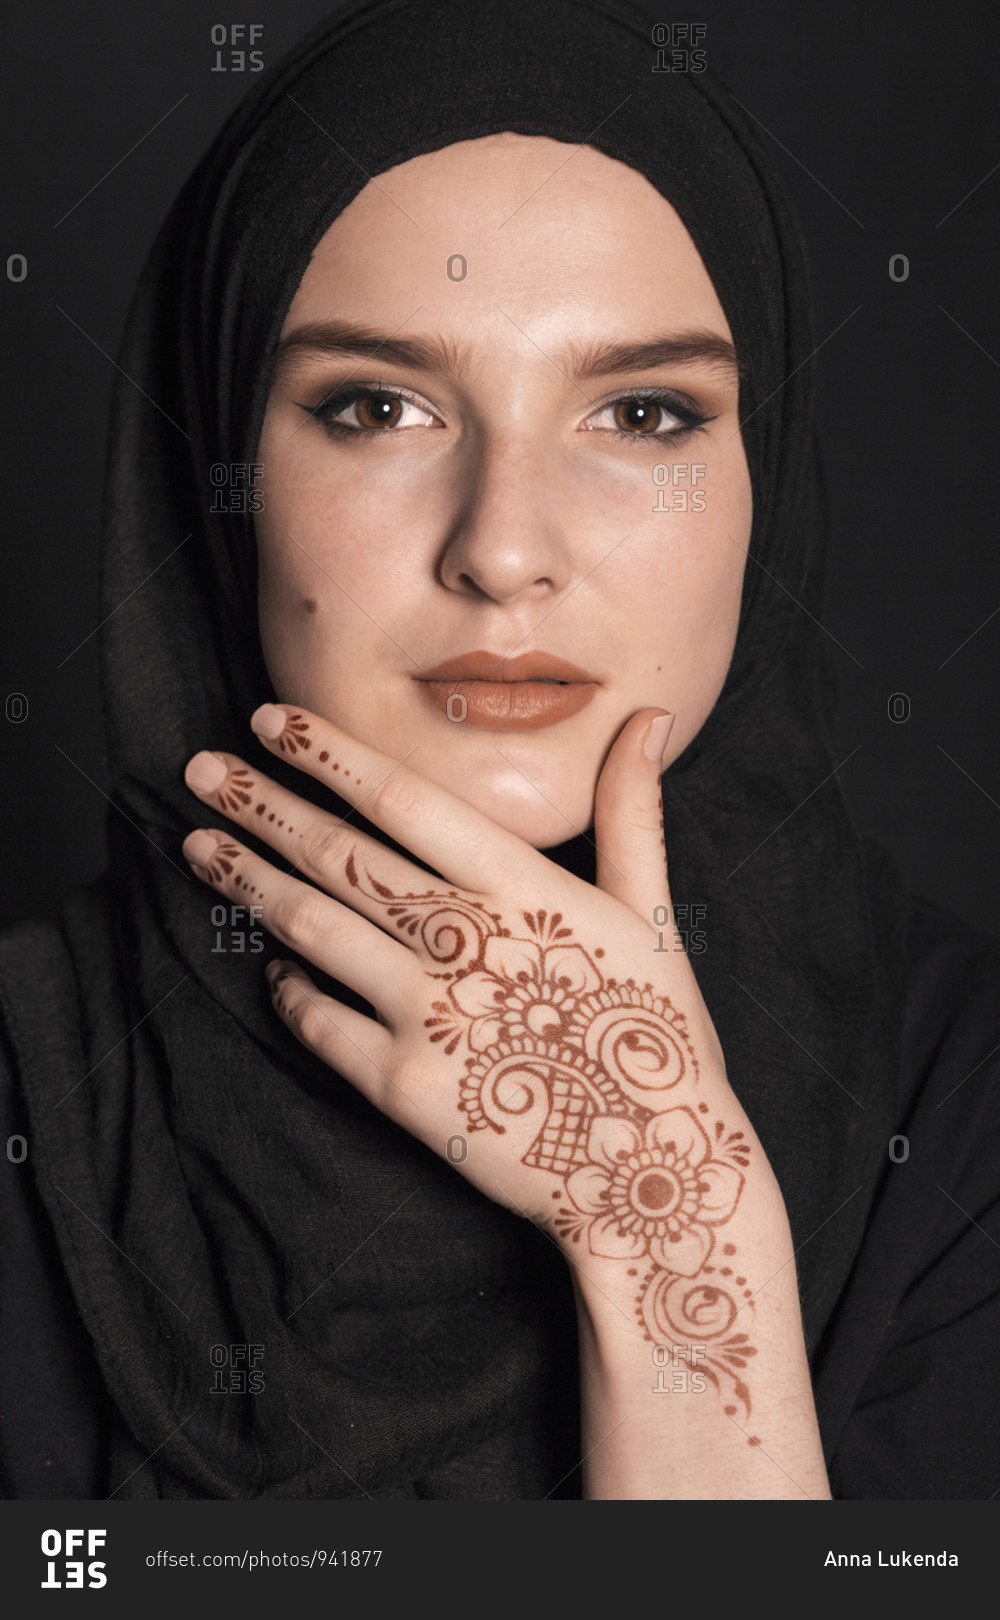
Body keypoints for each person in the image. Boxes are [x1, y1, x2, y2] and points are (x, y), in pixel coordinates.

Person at [1, 0, 997, 1501]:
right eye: (377, 407)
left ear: (761, 488)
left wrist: (668, 1226)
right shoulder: (37, 1095)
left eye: (644, 411)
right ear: (220, 471)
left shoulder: (968, 1109)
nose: (505, 551)